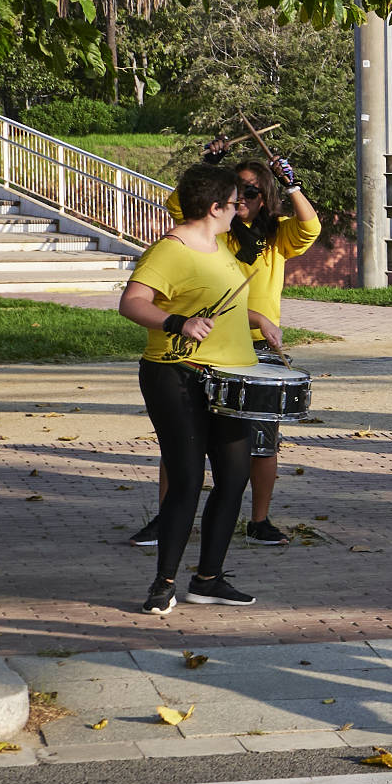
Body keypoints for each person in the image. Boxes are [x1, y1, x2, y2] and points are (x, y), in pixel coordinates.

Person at [131, 148, 320, 549]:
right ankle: (168, 519)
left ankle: (259, 520)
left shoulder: (276, 234)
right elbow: (183, 204)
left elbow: (311, 227)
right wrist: (207, 164)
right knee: (183, 444)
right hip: (207, 346)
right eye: (237, 193)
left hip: (256, 349)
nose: (243, 201)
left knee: (261, 443)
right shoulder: (216, 233)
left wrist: (292, 182)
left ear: (265, 196)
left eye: (251, 192)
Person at [118, 164, 279, 614]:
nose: (239, 209)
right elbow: (131, 302)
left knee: (233, 478)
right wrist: (177, 323)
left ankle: (208, 579)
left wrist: (258, 319)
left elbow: (213, 304)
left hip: (228, 378)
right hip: (178, 375)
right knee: (187, 479)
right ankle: (162, 583)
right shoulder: (171, 250)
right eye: (233, 203)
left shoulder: (221, 246)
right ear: (213, 207)